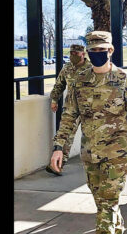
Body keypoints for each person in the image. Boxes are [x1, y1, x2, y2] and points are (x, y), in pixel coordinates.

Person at [49, 31, 127, 234]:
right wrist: (59, 148)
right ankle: (116, 227)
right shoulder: (79, 81)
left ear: (110, 51)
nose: (97, 53)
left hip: (117, 154)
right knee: (101, 200)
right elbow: (69, 117)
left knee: (108, 202)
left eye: (101, 50)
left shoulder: (123, 79)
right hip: (90, 153)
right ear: (87, 52)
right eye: (93, 50)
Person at [46, 44, 92, 176]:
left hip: (90, 109)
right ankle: (58, 164)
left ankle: (96, 165)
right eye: (71, 53)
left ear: (83, 54)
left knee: (91, 137)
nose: (73, 56)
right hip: (71, 108)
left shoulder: (91, 68)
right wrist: (54, 100)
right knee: (66, 136)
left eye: (76, 54)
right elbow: (59, 84)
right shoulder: (67, 68)